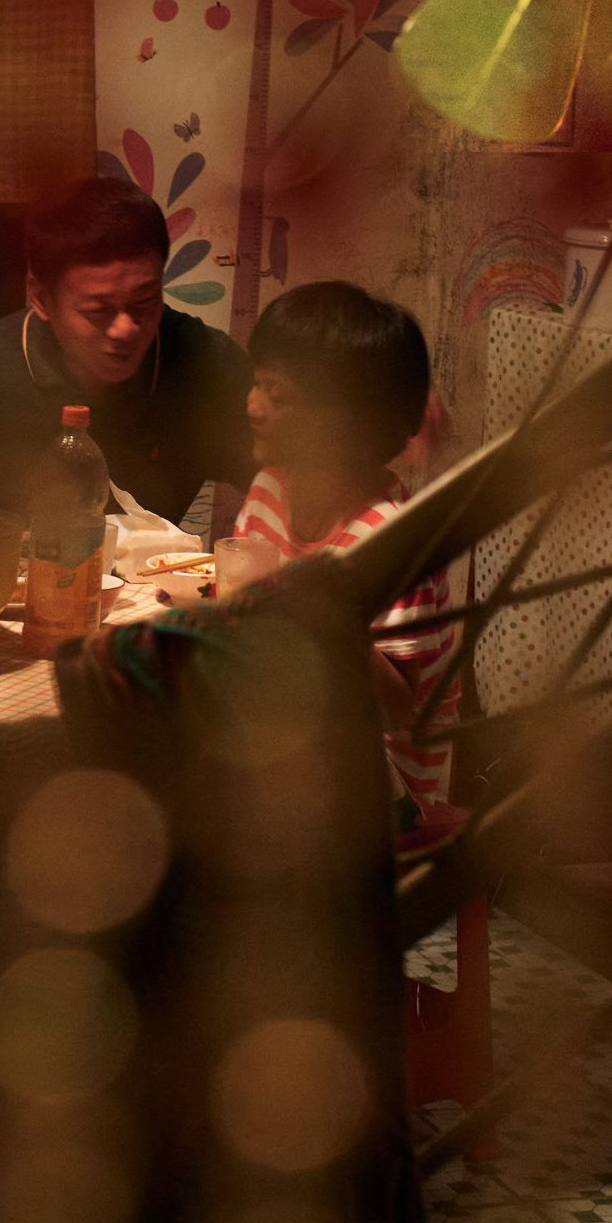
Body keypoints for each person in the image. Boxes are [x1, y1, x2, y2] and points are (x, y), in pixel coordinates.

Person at [0, 174, 255, 523]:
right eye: (98, 309)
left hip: (141, 580)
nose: (125, 328)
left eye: (145, 301)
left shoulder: (203, 364)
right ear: (41, 298)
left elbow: (274, 466)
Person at [232, 279, 457, 819]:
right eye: (257, 383)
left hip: (379, 794)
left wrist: (331, 621)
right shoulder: (268, 491)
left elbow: (399, 711)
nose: (253, 406)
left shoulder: (391, 539)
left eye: (277, 393)